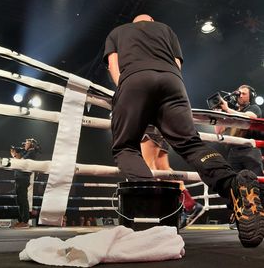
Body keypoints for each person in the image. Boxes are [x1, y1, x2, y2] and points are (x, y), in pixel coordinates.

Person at [103, 14, 264, 247]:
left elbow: (113, 65)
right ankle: (233, 186)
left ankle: (150, 212)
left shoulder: (118, 32)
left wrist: (126, 89)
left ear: (135, 22)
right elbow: (177, 64)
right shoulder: (166, 29)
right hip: (173, 83)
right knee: (191, 144)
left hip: (135, 79)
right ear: (151, 21)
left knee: (126, 147)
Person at [215, 85, 263, 229]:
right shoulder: (233, 112)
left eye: (243, 93)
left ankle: (260, 216)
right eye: (238, 93)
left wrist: (228, 110)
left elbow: (250, 118)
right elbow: (219, 132)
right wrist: (218, 114)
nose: (240, 95)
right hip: (234, 151)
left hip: (250, 149)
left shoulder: (254, 108)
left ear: (250, 96)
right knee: (233, 184)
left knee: (257, 183)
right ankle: (237, 216)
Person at [141, 125, 203, 228]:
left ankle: (155, 213)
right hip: (161, 128)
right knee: (164, 170)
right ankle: (190, 205)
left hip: (148, 127)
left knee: (149, 169)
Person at [10, 138, 40, 228]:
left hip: (23, 179)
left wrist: (14, 155)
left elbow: (20, 162)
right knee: (20, 200)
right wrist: (16, 154)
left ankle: (25, 221)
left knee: (23, 200)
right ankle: (22, 220)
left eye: (27, 143)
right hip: (20, 178)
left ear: (31, 145)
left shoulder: (31, 153)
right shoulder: (27, 152)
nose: (24, 144)